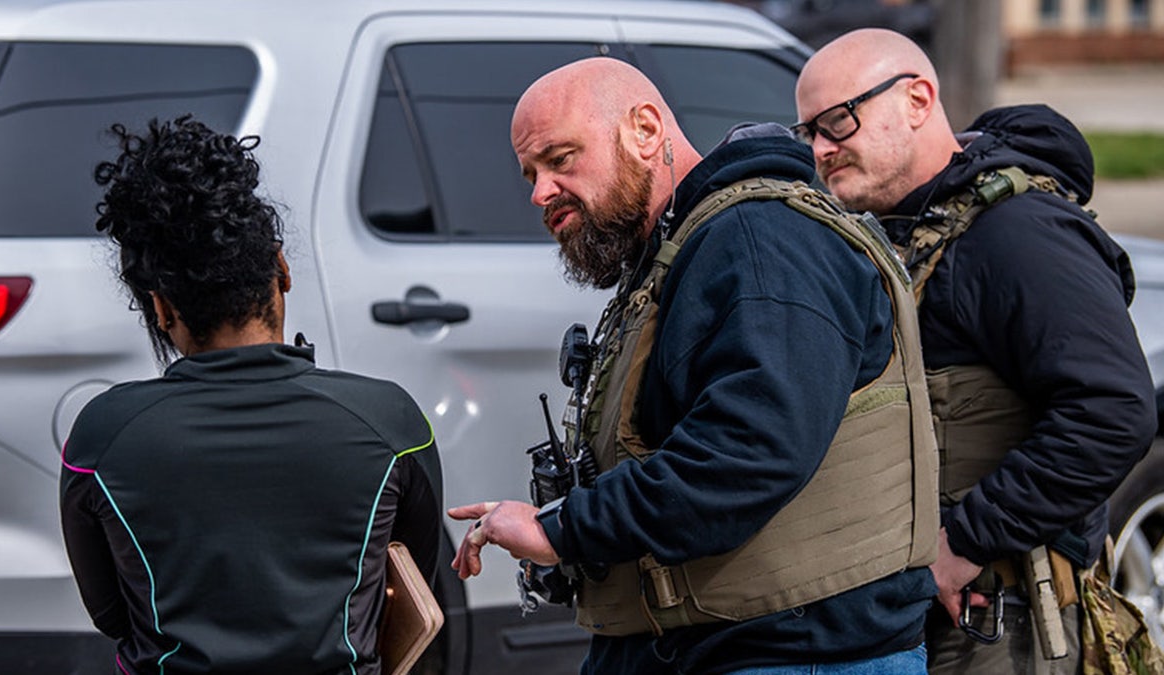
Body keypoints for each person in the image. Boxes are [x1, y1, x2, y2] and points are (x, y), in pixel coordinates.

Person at [449, 56, 940, 674]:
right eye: (531, 173)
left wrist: (564, 527)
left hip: (791, 652)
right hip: (704, 644)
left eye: (561, 159)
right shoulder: (687, 248)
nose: (540, 192)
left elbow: (748, 452)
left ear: (646, 130)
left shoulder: (764, 240)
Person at [794, 29, 1157, 674]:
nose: (822, 148)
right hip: (923, 615)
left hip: (999, 621)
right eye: (809, 133)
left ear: (917, 98)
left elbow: (1112, 411)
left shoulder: (1018, 236)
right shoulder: (910, 228)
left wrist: (965, 540)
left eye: (839, 121)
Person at [59, 115, 443, 675]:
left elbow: (113, 614)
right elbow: (408, 581)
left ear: (161, 308)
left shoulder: (101, 437)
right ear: (282, 270)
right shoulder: (391, 425)